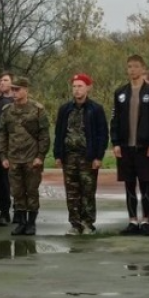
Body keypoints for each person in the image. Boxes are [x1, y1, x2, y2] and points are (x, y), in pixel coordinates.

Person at [110, 55, 149, 236]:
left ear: (143, 69)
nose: (132, 70)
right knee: (129, 185)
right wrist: (115, 142)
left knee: (146, 185)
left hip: (145, 147)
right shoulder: (120, 93)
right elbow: (115, 120)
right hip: (126, 147)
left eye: (136, 66)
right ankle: (133, 221)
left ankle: (146, 220)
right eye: (129, 66)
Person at [53, 74, 109, 235]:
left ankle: (88, 223)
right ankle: (75, 223)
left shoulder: (95, 109)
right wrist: (58, 155)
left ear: (88, 88)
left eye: (80, 86)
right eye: (74, 86)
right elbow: (59, 133)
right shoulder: (65, 109)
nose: (77, 90)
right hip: (69, 156)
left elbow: (102, 134)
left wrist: (98, 157)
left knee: (88, 191)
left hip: (87, 156)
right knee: (72, 193)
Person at [0, 77, 50, 236]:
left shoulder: (37, 109)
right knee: (17, 192)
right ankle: (20, 222)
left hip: (31, 158)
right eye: (13, 89)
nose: (14, 92)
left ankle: (31, 222)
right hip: (13, 158)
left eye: (17, 89)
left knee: (32, 191)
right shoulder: (7, 110)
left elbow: (44, 135)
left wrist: (40, 156)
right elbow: (2, 135)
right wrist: (3, 156)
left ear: (26, 90)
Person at [0, 74, 15, 224]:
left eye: (5, 80)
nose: (2, 83)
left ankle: (5, 212)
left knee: (4, 183)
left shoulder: (7, 104)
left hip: (4, 150)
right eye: (0, 81)